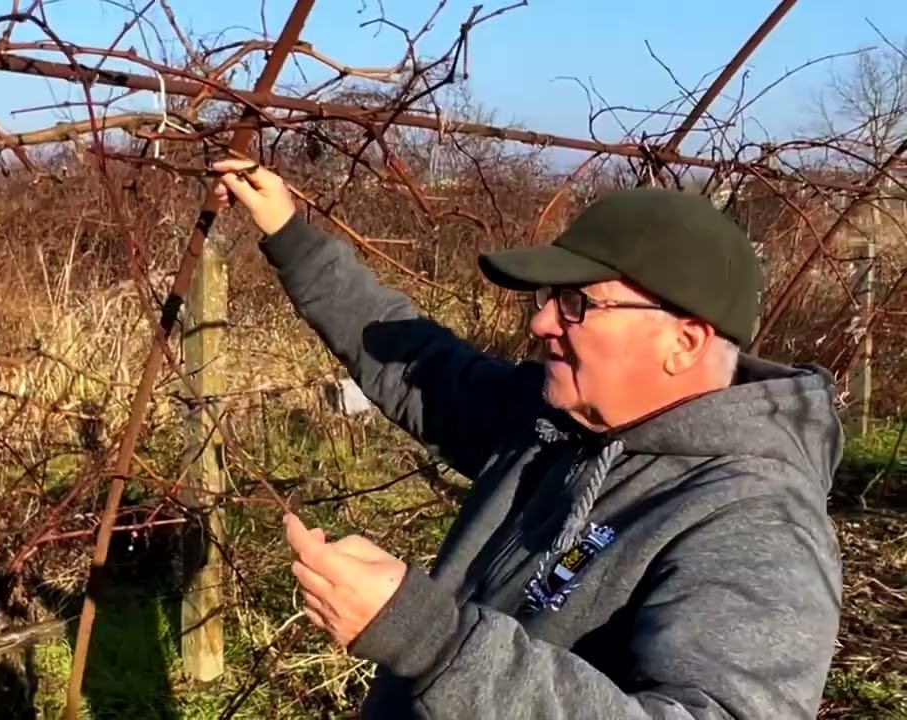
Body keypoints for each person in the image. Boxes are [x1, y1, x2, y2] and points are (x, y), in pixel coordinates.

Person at [211, 158, 844, 719]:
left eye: (577, 304)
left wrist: (428, 639)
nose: (541, 321)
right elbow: (422, 365)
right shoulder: (555, 428)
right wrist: (292, 236)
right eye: (549, 297)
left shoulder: (755, 521)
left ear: (683, 342)